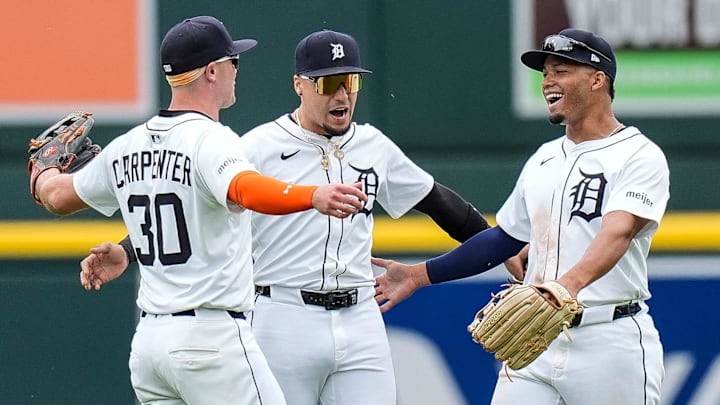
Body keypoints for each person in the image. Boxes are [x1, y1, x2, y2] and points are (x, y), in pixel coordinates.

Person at [79, 29, 494, 405]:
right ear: (299, 84)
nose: (342, 95)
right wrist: (127, 250)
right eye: (328, 82)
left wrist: (506, 248)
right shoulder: (256, 146)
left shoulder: (372, 145)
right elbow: (194, 207)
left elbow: (440, 203)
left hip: (361, 316)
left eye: (350, 82)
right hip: (283, 316)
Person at [32, 16, 368, 405]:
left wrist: (43, 169)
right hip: (212, 342)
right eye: (233, 62)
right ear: (212, 71)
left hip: (151, 348)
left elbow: (56, 196)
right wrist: (311, 195)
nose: (236, 70)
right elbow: (246, 189)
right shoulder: (212, 140)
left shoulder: (128, 145)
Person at [372, 28, 669, 405]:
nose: (548, 82)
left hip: (609, 341)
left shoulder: (639, 155)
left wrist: (565, 288)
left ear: (598, 79)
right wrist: (419, 275)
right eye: (545, 73)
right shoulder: (544, 158)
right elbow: (504, 239)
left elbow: (619, 232)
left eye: (561, 71)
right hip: (538, 340)